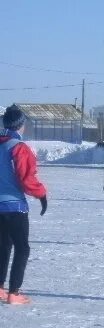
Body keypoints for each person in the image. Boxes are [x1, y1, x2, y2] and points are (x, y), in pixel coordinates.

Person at [0, 105, 47, 305]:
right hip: (15, 207)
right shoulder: (19, 147)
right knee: (22, 248)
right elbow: (26, 178)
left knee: (2, 246)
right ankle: (14, 292)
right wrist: (42, 194)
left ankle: (0, 288)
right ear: (20, 125)